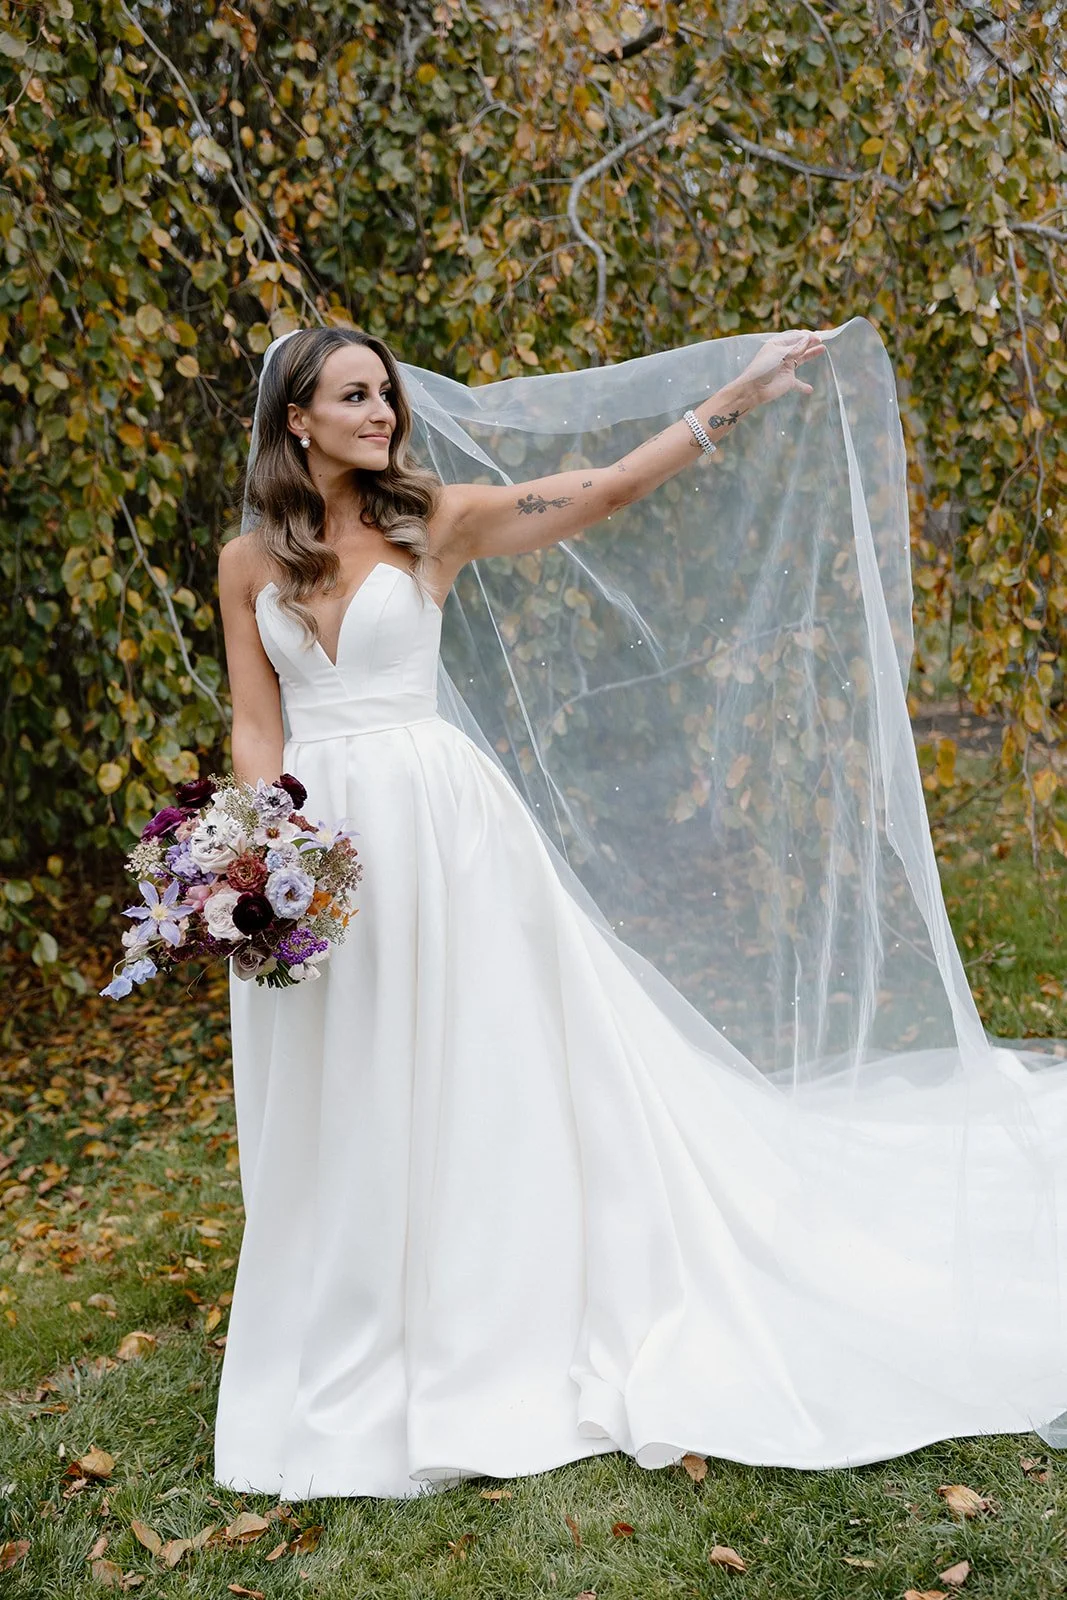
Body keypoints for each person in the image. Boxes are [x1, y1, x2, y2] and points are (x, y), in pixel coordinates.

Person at [213, 325, 1067, 1501]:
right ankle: (355, 1310)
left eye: (387, 396)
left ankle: (482, 1306)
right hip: (320, 852)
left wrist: (739, 393)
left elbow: (601, 491)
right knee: (346, 1076)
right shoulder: (247, 562)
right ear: (296, 420)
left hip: (443, 837)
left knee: (476, 1068)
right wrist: (255, 862)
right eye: (354, 397)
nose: (383, 415)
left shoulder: (433, 522)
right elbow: (258, 722)